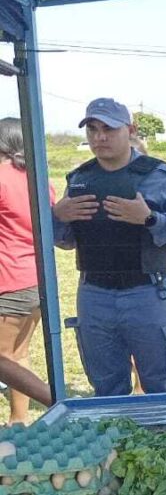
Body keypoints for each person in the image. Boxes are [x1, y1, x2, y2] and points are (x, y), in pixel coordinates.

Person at [53, 98, 166, 397]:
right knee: (107, 388)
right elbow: (66, 241)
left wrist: (150, 219)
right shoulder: (80, 179)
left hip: (146, 293)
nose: (100, 137)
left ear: (130, 130)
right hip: (94, 295)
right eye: (92, 129)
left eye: (109, 129)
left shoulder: (159, 175)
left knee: (162, 387)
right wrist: (58, 217)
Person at [0, 117, 49, 423]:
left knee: (3, 360)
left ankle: (56, 401)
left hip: (8, 278)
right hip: (35, 278)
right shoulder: (38, 178)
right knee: (18, 355)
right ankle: (18, 422)